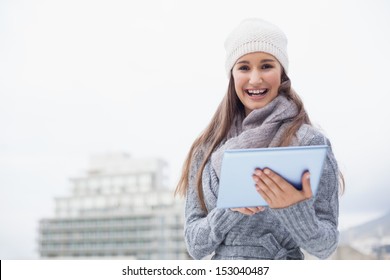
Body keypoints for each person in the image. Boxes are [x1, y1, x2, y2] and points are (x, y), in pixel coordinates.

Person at [175, 18, 343, 260]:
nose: (255, 79)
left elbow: (325, 246)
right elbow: (194, 244)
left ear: (282, 72)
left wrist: (292, 208)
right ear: (232, 75)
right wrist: (230, 209)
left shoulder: (309, 142)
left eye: (266, 66)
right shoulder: (207, 148)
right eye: (244, 67)